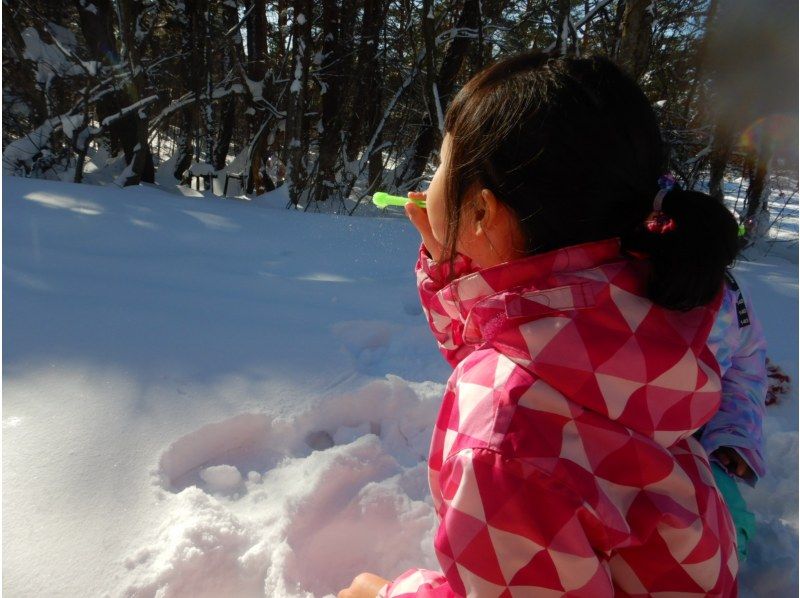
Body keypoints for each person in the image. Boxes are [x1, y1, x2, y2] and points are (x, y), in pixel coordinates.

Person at [338, 51, 741, 597]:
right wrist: (459, 264)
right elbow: (519, 354)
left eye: (441, 162)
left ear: (482, 211)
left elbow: (515, 398)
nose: (428, 179)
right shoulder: (631, 303)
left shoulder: (503, 443)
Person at [702, 271, 768, 562]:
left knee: (727, 531)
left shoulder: (730, 294)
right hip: (594, 442)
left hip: (694, 442)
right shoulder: (606, 272)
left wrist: (733, 431)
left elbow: (745, 368)